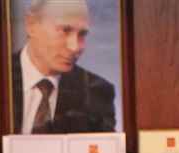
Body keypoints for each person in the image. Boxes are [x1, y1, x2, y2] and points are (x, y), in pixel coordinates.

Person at [11, 0, 117, 135]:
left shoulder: (97, 92)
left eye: (82, 34)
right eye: (65, 30)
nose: (75, 47)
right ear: (31, 25)